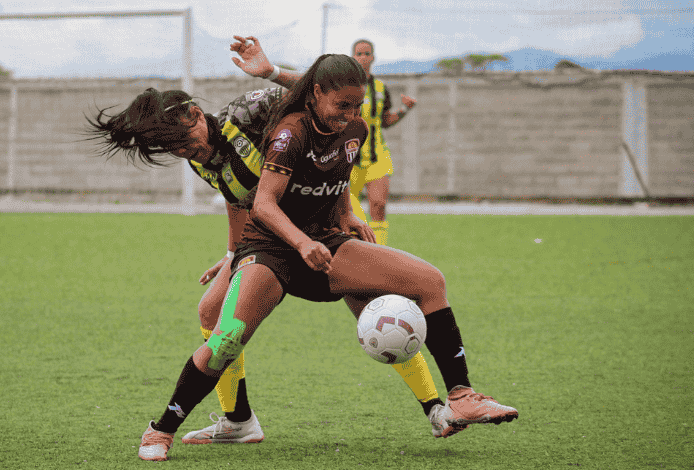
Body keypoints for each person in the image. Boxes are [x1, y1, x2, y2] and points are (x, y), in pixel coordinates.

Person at [135, 52, 518, 462]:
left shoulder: (350, 127)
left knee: (428, 281)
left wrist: (347, 212)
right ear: (316, 95)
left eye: (356, 105)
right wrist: (239, 253)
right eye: (343, 105)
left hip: (324, 241)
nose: (350, 113)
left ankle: (457, 398)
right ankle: (165, 429)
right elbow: (253, 203)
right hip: (270, 248)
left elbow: (331, 167)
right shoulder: (284, 135)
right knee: (224, 332)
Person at [84, 38, 449, 448]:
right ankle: (238, 421)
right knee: (210, 309)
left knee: (372, 309)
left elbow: (323, 102)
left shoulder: (248, 113)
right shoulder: (200, 157)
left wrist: (272, 72)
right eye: (175, 149)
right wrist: (229, 257)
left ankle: (436, 408)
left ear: (193, 112)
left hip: (324, 221)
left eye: (186, 139)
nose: (187, 150)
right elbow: (238, 202)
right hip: (272, 240)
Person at [347, 38, 416, 247]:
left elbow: (385, 121)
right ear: (353, 58)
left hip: (378, 156)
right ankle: (351, 252)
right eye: (359, 54)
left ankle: (380, 252)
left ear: (373, 57)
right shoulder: (344, 87)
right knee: (350, 210)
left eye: (367, 54)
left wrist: (404, 110)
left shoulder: (379, 88)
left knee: (378, 205)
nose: (363, 58)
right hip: (349, 159)